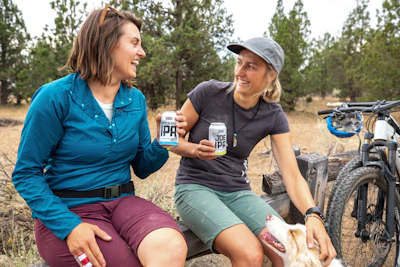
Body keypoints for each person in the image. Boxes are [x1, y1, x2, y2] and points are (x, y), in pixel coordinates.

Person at [12, 5, 188, 267]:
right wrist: (70, 227)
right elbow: (26, 173)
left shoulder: (135, 100)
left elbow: (141, 166)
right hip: (68, 210)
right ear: (107, 44)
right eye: (134, 43)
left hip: (123, 202)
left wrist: (162, 143)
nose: (142, 52)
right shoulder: (55, 97)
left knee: (171, 248)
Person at [170, 37, 337, 267]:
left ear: (271, 75)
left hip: (238, 192)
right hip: (195, 187)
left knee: (288, 252)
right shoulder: (208, 92)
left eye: (251, 66)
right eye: (239, 62)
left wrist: (313, 214)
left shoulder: (273, 115)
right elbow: (171, 140)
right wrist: (195, 150)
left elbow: (291, 174)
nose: (240, 71)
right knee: (250, 255)